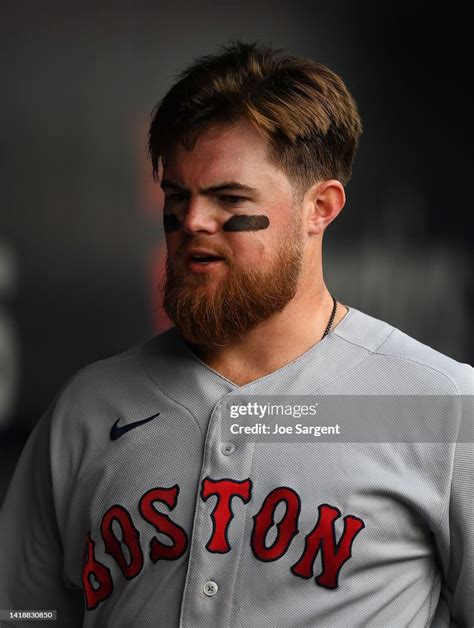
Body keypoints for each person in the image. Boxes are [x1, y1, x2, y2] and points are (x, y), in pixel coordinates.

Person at [0, 41, 472, 628]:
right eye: (179, 197)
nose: (194, 222)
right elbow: (24, 611)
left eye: (228, 198)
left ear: (318, 208)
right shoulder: (89, 409)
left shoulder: (442, 405)